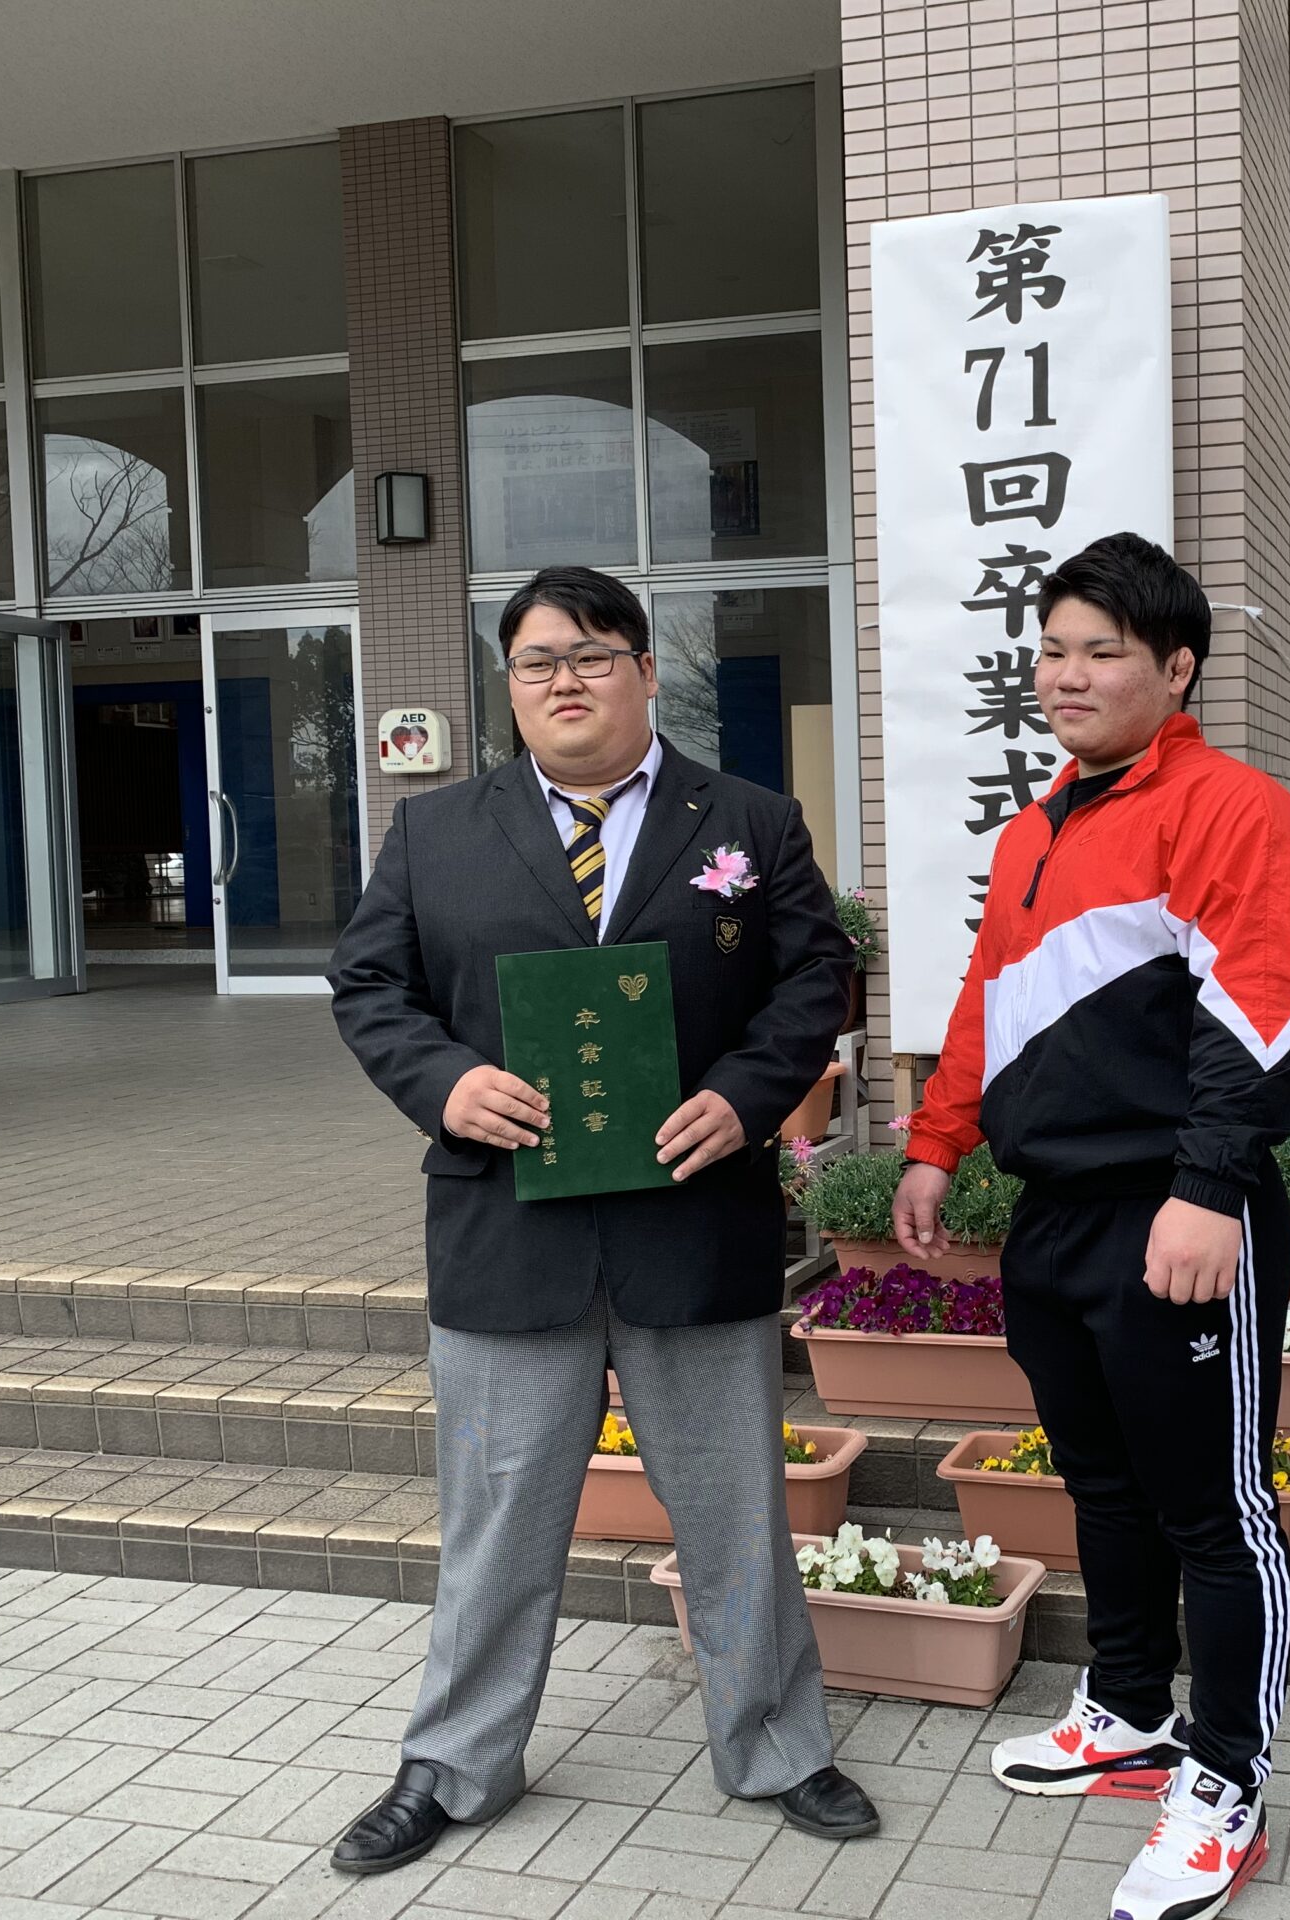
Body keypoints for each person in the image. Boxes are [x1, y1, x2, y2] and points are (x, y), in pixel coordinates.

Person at [327, 565, 877, 1875]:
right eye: (537, 661)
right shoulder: (435, 831)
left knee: (734, 1510)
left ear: (643, 669)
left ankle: (778, 1744)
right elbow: (368, 984)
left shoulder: (747, 820)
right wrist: (444, 1084)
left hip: (692, 1222)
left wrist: (747, 1097)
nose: (564, 680)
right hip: (509, 1231)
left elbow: (818, 973)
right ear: (510, 685)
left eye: (591, 655)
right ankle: (454, 1763)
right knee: (497, 1521)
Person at [892, 532, 1290, 1920]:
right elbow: (988, 1004)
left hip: (1176, 1210)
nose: (1066, 675)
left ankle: (1227, 1782)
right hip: (1056, 1217)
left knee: (1216, 1510)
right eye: (1053, 650)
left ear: (1176, 668)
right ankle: (1130, 1707)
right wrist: (936, 1142)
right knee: (1101, 1482)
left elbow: (1263, 1012)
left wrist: (1209, 1187)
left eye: (1102, 652)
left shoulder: (1233, 809)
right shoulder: (1039, 828)